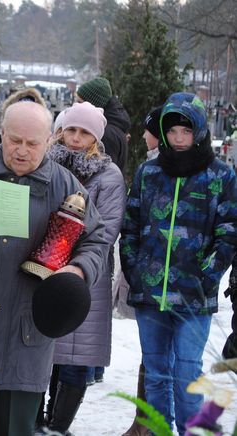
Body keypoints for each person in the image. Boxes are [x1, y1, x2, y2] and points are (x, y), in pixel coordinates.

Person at [0, 101, 107, 436]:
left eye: (32, 143)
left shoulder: (67, 187)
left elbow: (96, 241)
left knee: (16, 430)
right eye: (14, 140)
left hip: (25, 336)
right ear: (1, 133)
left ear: (48, 140)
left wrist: (79, 271)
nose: (22, 151)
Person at [120, 92, 237, 435]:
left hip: (194, 295)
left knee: (187, 373)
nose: (179, 138)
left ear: (198, 131)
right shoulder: (150, 172)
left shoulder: (221, 176)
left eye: (186, 131)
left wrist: (209, 274)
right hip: (150, 292)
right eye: (172, 131)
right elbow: (131, 225)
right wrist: (136, 269)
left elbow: (229, 232)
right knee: (156, 375)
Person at [42, 102, 126, 434]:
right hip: (43, 265)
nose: (75, 138)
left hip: (84, 272)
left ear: (96, 136)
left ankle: (58, 424)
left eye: (84, 132)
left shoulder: (108, 174)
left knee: (74, 356)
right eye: (71, 130)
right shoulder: (44, 163)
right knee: (42, 351)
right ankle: (34, 419)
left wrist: (72, 254)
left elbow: (106, 228)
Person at [114, 106, 161, 436]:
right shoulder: (150, 168)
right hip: (148, 273)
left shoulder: (157, 169)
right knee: (151, 352)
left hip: (166, 278)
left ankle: (151, 422)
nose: (141, 135)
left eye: (147, 129)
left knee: (162, 356)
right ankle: (143, 420)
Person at [75, 77, 131, 173]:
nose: (75, 106)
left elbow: (102, 175)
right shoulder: (111, 127)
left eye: (80, 102)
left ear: (92, 105)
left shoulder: (106, 133)